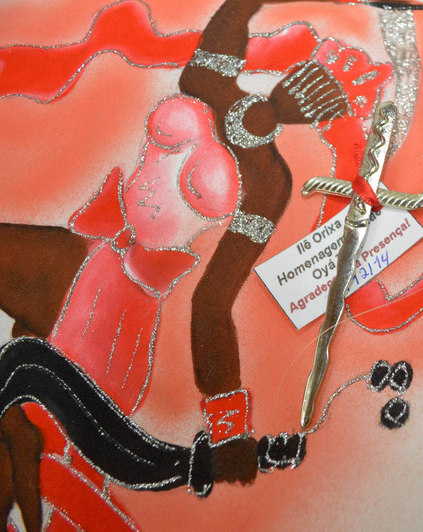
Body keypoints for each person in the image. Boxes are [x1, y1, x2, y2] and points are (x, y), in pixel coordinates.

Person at [0, 0, 397, 528]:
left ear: (319, 114)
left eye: (321, 95)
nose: (303, 91)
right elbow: (232, 17)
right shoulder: (209, 83)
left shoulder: (268, 184)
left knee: (36, 412)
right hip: (90, 248)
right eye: (309, 77)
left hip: (123, 305)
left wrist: (229, 429)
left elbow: (213, 302)